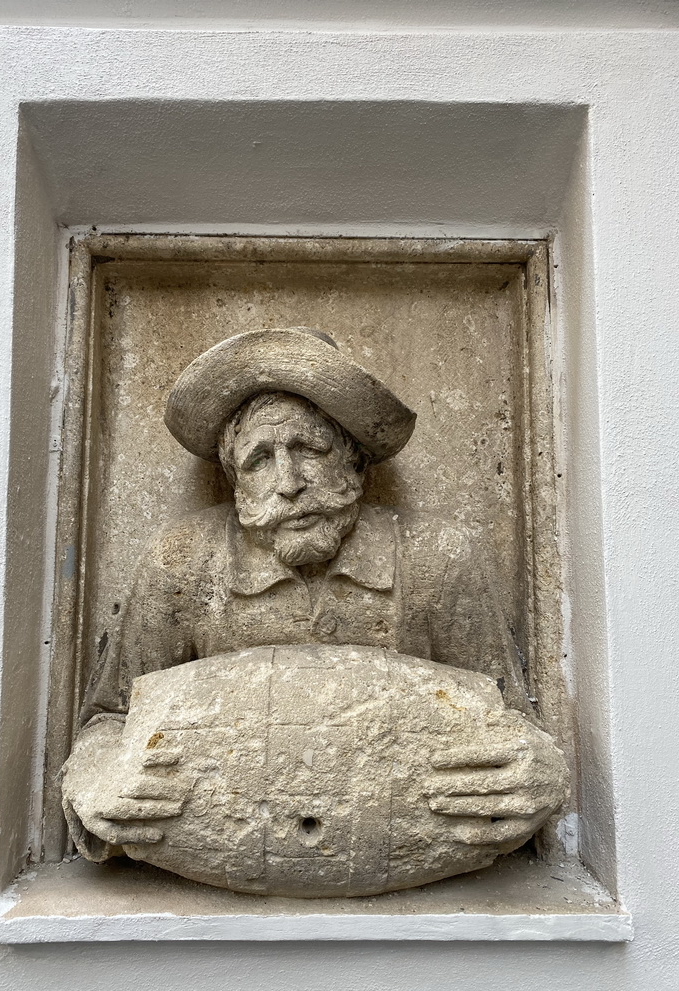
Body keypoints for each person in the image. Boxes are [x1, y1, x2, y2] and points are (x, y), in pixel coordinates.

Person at [64, 327, 544, 859]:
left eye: (309, 449)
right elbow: (109, 720)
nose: (288, 481)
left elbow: (508, 720)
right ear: (235, 481)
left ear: (354, 463)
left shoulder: (437, 558)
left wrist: (537, 766)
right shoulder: (183, 562)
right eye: (259, 460)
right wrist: (95, 781)